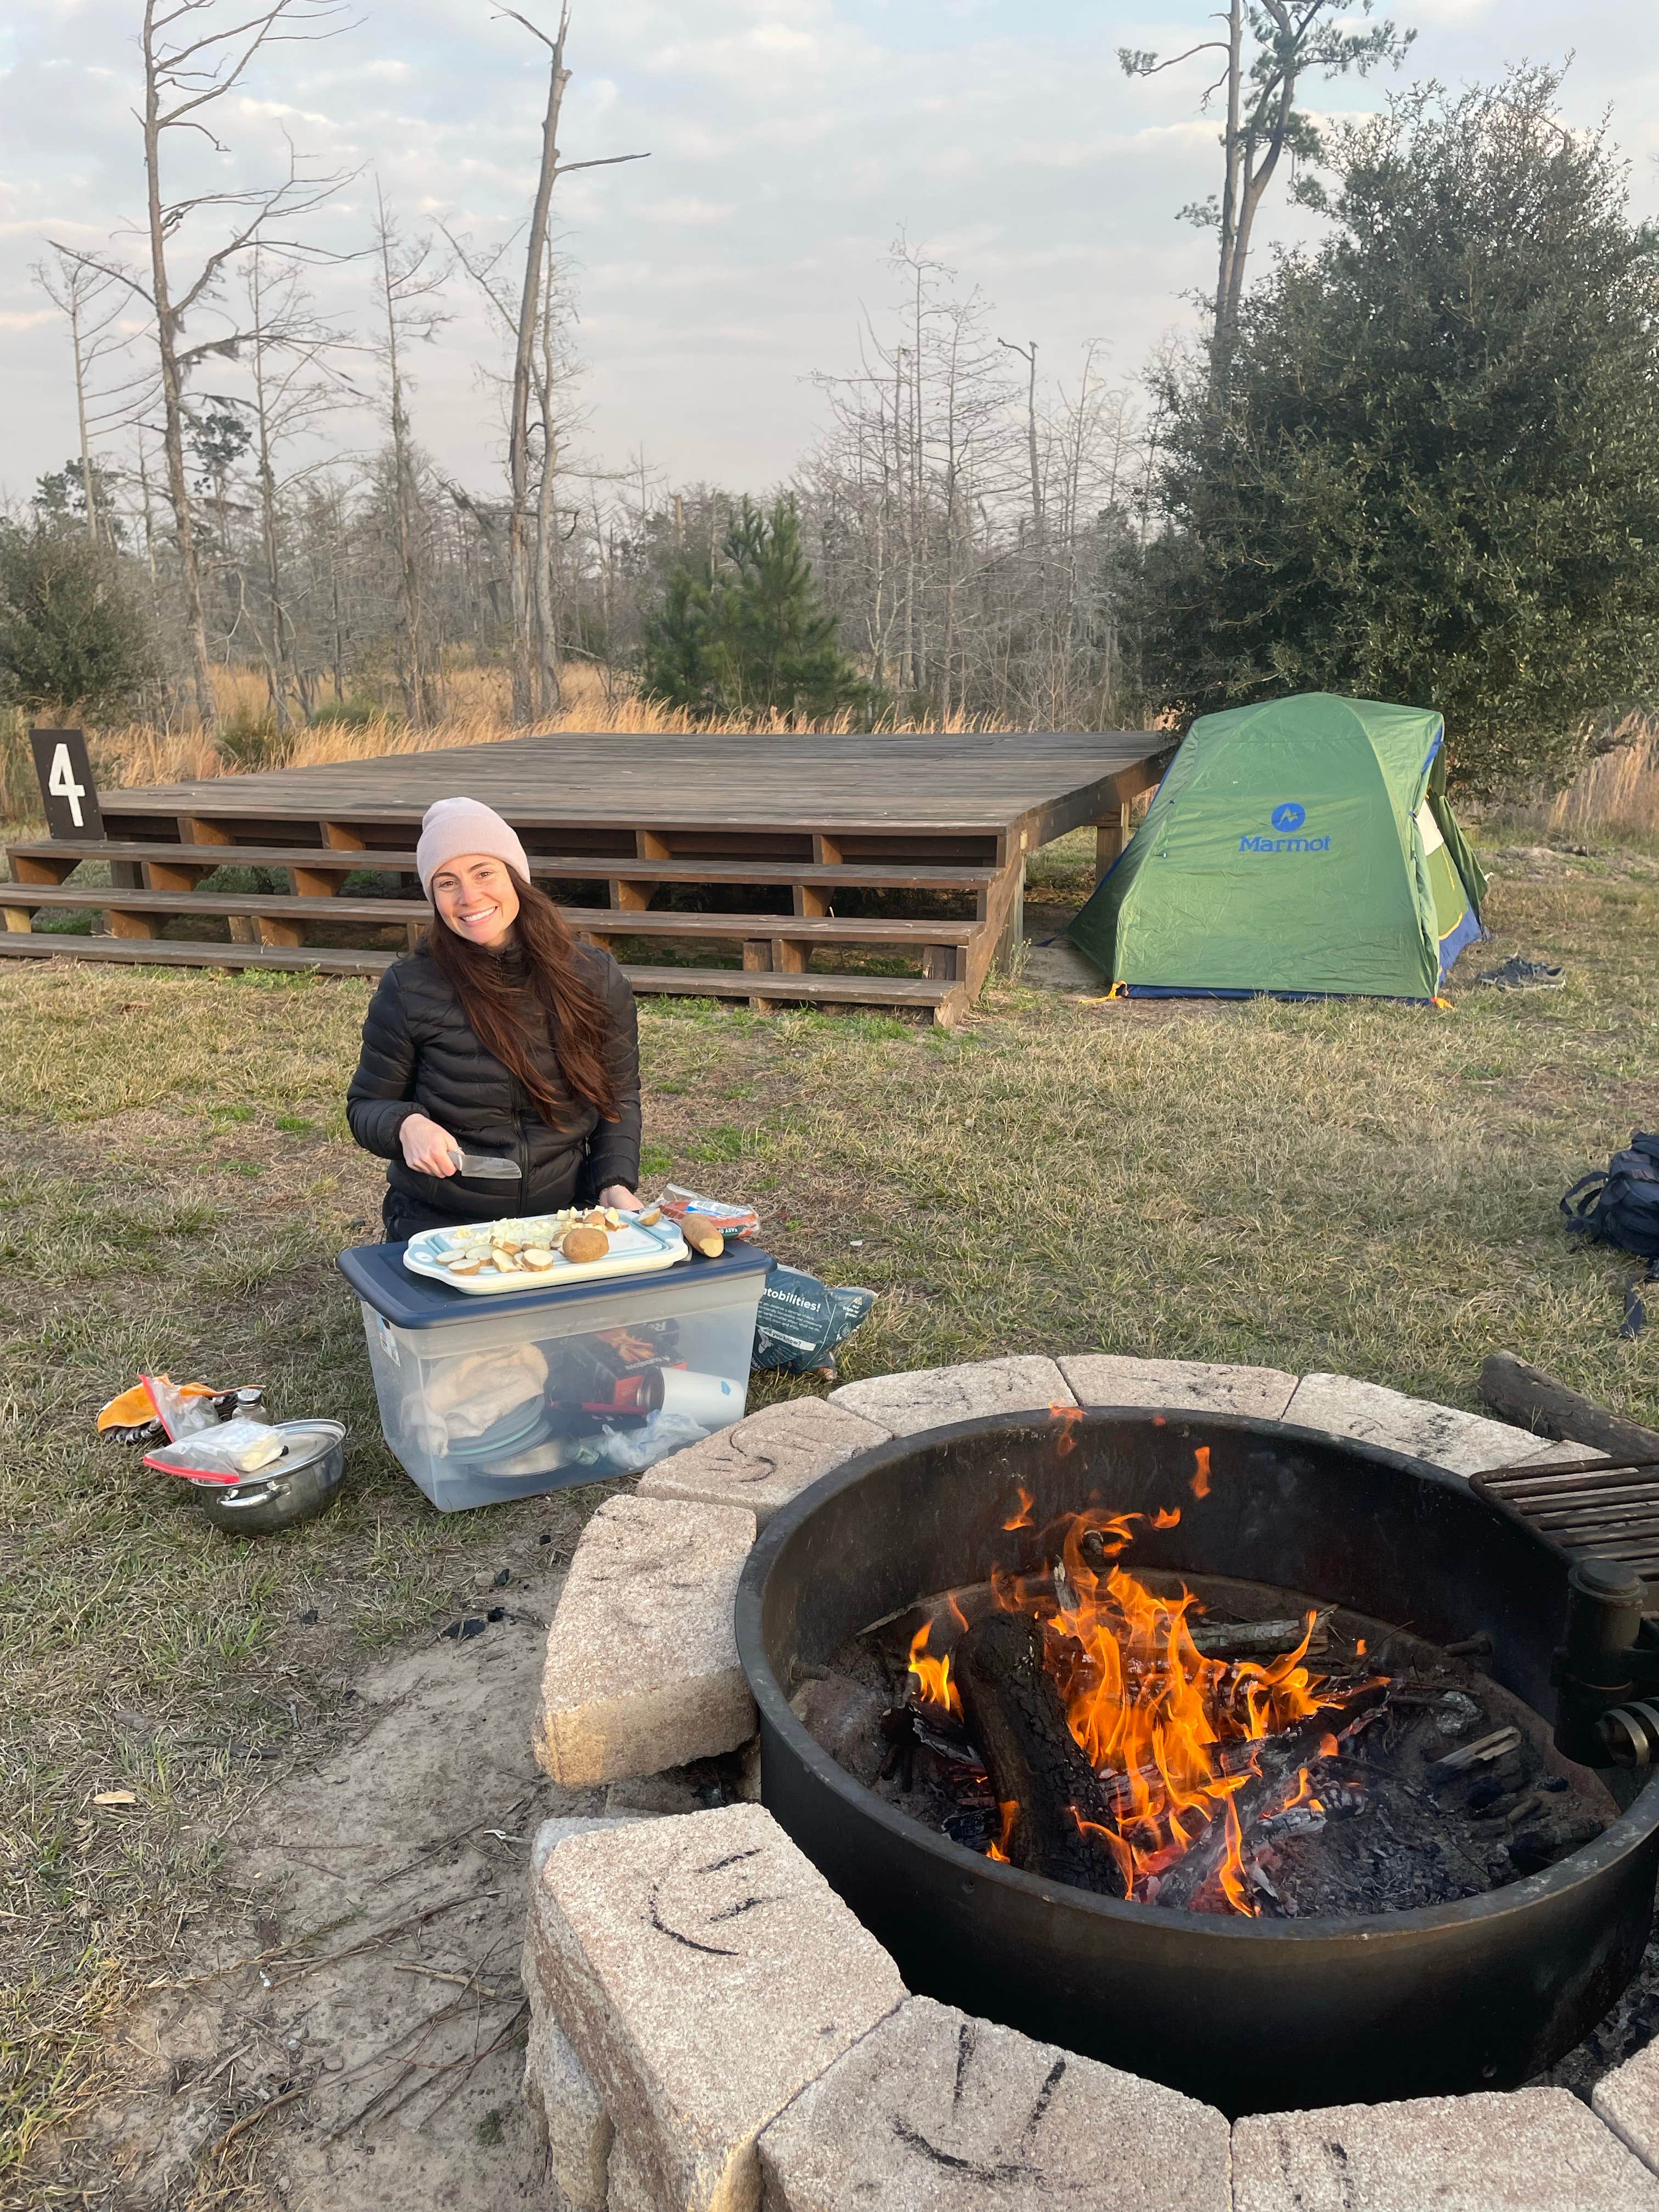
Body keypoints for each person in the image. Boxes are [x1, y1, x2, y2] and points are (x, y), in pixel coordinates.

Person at [347, 796, 641, 1242]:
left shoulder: (594, 975)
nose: (469, 898)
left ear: (516, 877)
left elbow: (617, 1098)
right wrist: (406, 1125)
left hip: (565, 1219)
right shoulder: (408, 987)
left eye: (484, 873)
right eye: (447, 883)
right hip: (440, 1222)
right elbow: (367, 1105)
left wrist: (613, 1183)